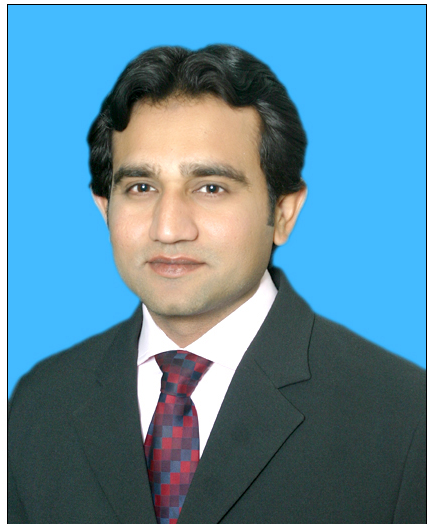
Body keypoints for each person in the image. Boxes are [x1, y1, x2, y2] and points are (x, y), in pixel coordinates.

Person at [8, 44, 425, 524]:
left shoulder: (406, 416)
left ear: (283, 213)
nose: (169, 228)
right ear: (104, 209)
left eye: (211, 187)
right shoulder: (40, 402)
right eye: (141, 187)